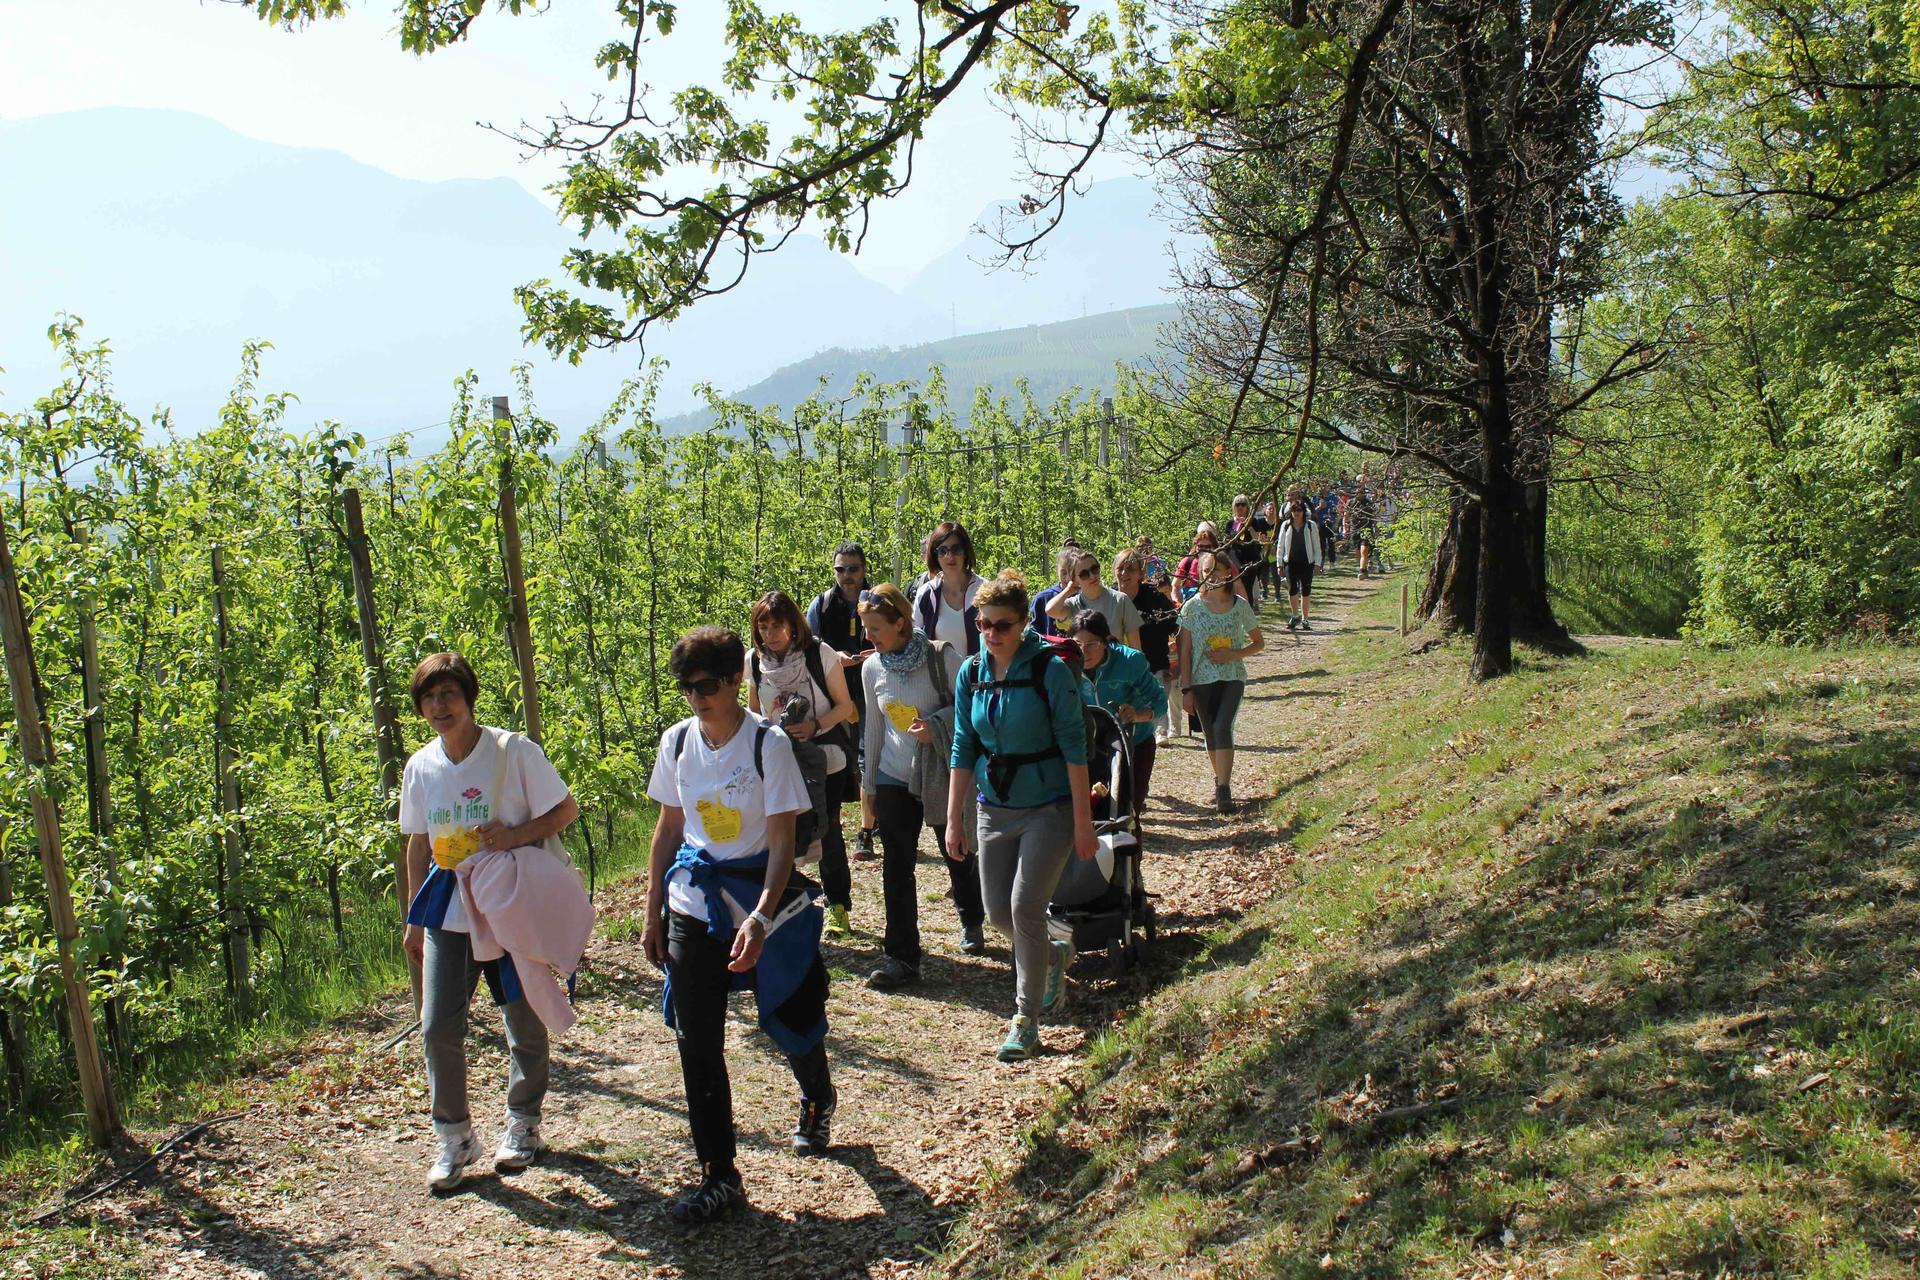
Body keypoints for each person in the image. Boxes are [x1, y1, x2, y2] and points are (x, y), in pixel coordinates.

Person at [643, 626, 835, 1224]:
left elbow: (782, 845)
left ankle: (817, 1093)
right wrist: (653, 909)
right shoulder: (676, 744)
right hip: (695, 903)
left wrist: (759, 916)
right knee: (697, 1042)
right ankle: (719, 1175)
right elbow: (669, 830)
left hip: (761, 897)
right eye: (686, 687)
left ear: (735, 682)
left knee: (791, 1011)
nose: (696, 697)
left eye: (707, 685)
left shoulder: (767, 746)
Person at [401, 652, 591, 1193]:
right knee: (438, 1023)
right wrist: (413, 917)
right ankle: (455, 1136)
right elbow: (419, 842)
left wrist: (512, 836)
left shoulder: (513, 751)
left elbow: (565, 810)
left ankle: (524, 1120)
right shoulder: (421, 766)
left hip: (508, 902)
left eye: (449, 694)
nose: (440, 706)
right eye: (430, 697)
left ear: (468, 698)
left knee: (522, 1019)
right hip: (447, 905)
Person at [945, 570, 1095, 1063]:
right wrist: (953, 819)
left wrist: (1083, 822)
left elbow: (1075, 747)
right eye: (983, 624)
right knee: (996, 913)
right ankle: (1051, 955)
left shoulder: (1049, 671)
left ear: (1023, 624)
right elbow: (964, 745)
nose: (991, 634)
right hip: (995, 808)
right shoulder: (972, 672)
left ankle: (1026, 1018)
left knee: (1026, 909)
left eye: (1001, 625)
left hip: (1049, 807)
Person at [857, 583, 987, 990]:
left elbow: (971, 704)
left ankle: (972, 916)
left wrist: (936, 726)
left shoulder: (940, 656)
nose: (869, 637)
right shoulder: (871, 668)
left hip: (939, 772)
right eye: (866, 628)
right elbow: (873, 728)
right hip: (894, 777)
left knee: (956, 851)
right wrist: (870, 784)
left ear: (900, 622)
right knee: (897, 867)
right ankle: (901, 956)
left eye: (876, 628)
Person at [746, 591, 858, 940]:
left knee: (828, 831)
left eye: (776, 625)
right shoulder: (753, 662)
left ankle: (838, 906)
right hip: (780, 761)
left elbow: (844, 705)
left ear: (793, 625)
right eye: (762, 626)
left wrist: (814, 726)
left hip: (826, 756)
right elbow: (754, 714)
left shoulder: (819, 654)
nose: (770, 633)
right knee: (782, 834)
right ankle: (787, 905)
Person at [807, 541, 880, 864]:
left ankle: (866, 830)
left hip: (874, 688)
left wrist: (878, 653)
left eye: (853, 569)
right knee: (836, 759)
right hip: (834, 692)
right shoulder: (822, 605)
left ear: (864, 569)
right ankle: (828, 825)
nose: (847, 576)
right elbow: (809, 646)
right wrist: (832, 658)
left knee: (869, 758)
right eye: (841, 569)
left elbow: (902, 636)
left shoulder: (879, 600)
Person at [1178, 552, 1265, 814]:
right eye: (1206, 570)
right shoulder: (1191, 607)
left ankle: (1224, 788)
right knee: (1210, 733)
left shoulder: (1239, 605)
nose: (1212, 575)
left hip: (1232, 677)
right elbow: (1184, 651)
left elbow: (1258, 643)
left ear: (1229, 572)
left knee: (1222, 725)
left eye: (1216, 569)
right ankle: (1220, 781)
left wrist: (1233, 654)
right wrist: (1186, 689)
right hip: (1200, 679)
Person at [1071, 610, 1167, 809]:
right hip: (1091, 747)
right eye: (1078, 645)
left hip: (1136, 743)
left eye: (1091, 645)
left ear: (1105, 642)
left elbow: (1159, 702)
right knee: (1095, 808)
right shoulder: (1066, 665)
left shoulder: (1130, 661)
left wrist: (1136, 715)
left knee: (1130, 808)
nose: (1084, 652)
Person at [1112, 548, 1179, 744]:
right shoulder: (1106, 598)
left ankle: (1158, 733)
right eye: (1120, 568)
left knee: (1149, 709)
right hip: (1117, 670)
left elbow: (1177, 629)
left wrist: (1176, 664)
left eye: (1130, 569)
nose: (1124, 574)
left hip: (1154, 666)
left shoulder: (1154, 598)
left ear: (1141, 573)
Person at [1045, 548, 1143, 648]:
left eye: (1094, 569)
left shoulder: (1120, 600)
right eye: (1084, 574)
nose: (1092, 576)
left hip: (1115, 662)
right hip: (1084, 662)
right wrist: (1069, 590)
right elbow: (1050, 610)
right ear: (1074, 579)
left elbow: (1136, 649)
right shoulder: (1073, 604)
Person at [913, 521, 985, 654]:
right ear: (935, 556)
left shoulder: (985, 591)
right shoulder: (926, 594)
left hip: (978, 674)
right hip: (936, 675)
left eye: (956, 549)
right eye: (943, 551)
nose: (950, 556)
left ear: (965, 552)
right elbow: (913, 642)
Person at [1276, 490, 1325, 631]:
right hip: (1290, 563)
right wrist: (1279, 564)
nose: (1296, 513)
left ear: (1304, 511)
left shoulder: (1311, 526)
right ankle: (1295, 615)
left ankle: (1305, 618)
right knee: (1292, 589)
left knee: (1306, 590)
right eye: (1294, 510)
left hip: (1307, 562)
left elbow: (1317, 546)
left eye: (1299, 510)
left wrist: (1317, 564)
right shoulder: (1285, 525)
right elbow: (1280, 546)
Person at [1225, 495, 1273, 606]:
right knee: (1235, 589)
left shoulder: (1254, 521)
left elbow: (1257, 538)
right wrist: (1237, 528)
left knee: (1247, 589)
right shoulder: (1231, 523)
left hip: (1251, 561)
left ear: (1247, 507)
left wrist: (1248, 526)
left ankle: (1248, 615)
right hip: (1235, 561)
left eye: (1243, 504)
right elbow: (1228, 541)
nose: (1240, 507)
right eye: (1238, 504)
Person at [1030, 544, 1082, 639]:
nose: (1068, 578)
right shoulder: (1042, 599)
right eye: (1064, 573)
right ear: (1057, 570)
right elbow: (1033, 634)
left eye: (1072, 572)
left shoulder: (1086, 597)